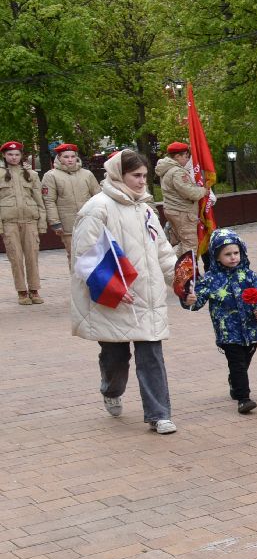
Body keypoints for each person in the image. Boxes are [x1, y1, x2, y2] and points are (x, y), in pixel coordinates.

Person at [70, 149, 179, 432]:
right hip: (115, 300)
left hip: (149, 296)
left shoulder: (145, 208)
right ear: (119, 174)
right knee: (115, 358)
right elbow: (84, 255)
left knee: (151, 354)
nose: (142, 181)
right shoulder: (98, 207)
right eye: (136, 176)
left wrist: (180, 280)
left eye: (144, 176)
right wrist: (113, 288)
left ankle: (159, 414)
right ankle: (111, 390)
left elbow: (163, 250)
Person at [181, 227, 257, 414]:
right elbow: (198, 300)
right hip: (227, 330)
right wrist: (189, 300)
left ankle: (234, 381)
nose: (233, 257)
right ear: (216, 256)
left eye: (236, 252)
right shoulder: (212, 279)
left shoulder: (250, 275)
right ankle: (243, 398)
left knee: (246, 358)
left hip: (250, 328)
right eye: (227, 254)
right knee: (237, 362)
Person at [0, 140, 46, 305]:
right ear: (4, 156)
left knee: (32, 257)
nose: (13, 157)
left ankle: (34, 289)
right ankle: (22, 291)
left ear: (21, 156)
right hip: (9, 222)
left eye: (17, 154)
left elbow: (39, 200)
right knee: (16, 258)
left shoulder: (31, 174)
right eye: (10, 154)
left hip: (30, 221)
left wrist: (42, 223)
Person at [43, 143, 100, 261]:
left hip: (89, 221)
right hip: (67, 223)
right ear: (59, 157)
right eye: (66, 157)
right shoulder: (51, 176)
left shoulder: (87, 174)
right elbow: (49, 201)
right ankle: (76, 279)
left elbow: (98, 196)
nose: (70, 160)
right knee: (74, 256)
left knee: (94, 255)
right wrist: (55, 222)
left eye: (72, 156)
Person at [155, 142, 207, 258]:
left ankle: (171, 265)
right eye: (185, 156)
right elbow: (189, 192)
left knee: (182, 243)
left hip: (174, 210)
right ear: (177, 156)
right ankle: (185, 273)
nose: (187, 159)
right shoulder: (177, 171)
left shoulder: (167, 169)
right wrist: (203, 191)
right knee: (190, 246)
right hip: (182, 212)